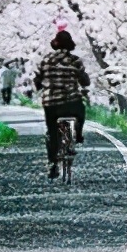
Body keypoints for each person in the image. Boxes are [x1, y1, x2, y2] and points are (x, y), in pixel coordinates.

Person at [34, 30, 90, 178]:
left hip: (51, 103)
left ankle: (52, 163)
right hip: (71, 102)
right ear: (70, 45)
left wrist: (41, 86)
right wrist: (82, 81)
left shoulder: (46, 60)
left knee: (52, 133)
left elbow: (37, 79)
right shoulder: (75, 60)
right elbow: (85, 80)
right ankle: (77, 134)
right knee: (81, 110)